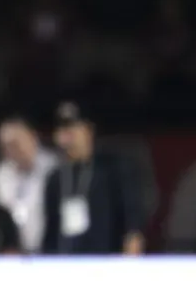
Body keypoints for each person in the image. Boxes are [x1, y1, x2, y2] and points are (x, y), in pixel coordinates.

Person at [41, 101, 145, 255]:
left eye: (72, 131)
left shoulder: (112, 169)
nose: (67, 138)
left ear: (88, 131)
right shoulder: (55, 178)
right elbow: (51, 230)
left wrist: (129, 262)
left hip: (106, 262)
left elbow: (132, 226)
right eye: (62, 132)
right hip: (66, 264)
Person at [0, 116, 59, 253]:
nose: (11, 150)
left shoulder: (53, 169)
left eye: (15, 143)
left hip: (49, 251)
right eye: (5, 146)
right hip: (14, 252)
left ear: (32, 137)